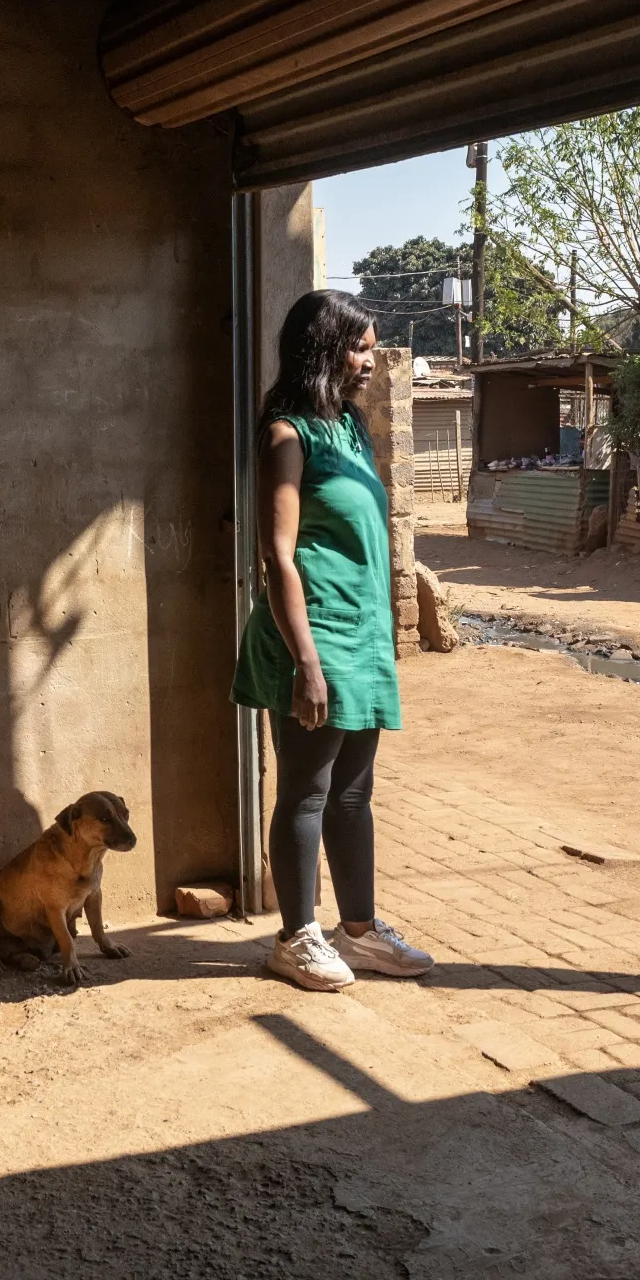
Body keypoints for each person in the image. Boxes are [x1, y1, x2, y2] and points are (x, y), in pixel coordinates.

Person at [231, 290, 435, 991]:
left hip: (361, 637)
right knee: (307, 794)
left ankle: (360, 931)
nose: (370, 361)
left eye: (374, 347)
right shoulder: (288, 434)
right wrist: (306, 662)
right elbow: (276, 554)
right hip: (313, 637)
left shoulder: (350, 428)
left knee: (353, 796)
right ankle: (295, 936)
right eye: (359, 347)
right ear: (322, 350)